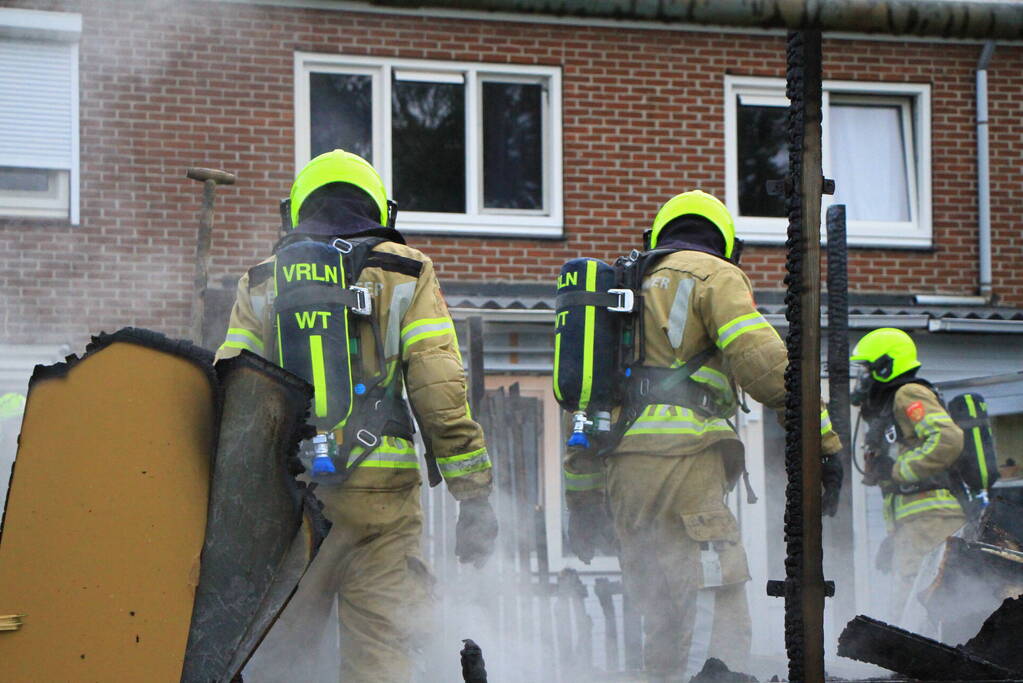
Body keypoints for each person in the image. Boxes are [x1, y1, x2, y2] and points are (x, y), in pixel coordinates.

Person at [216, 149, 497, 683]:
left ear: (295, 208)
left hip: (290, 501)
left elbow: (232, 395)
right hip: (382, 501)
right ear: (379, 209)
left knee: (280, 657)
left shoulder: (260, 281)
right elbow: (439, 390)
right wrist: (474, 494)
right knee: (382, 655)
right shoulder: (406, 272)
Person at [562, 190, 842, 680]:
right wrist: (824, 442)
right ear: (724, 242)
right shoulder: (714, 274)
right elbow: (766, 365)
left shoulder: (618, 290)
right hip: (684, 465)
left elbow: (589, 404)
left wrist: (581, 501)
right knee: (716, 616)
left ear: (659, 235)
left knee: (663, 621)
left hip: (624, 475)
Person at [850, 327, 965, 618]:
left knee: (917, 610)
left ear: (886, 366)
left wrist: (899, 469)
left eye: (866, 369)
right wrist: (894, 536)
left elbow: (948, 439)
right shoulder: (890, 405)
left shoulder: (908, 393)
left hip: (932, 520)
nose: (862, 378)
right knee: (910, 609)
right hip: (916, 525)